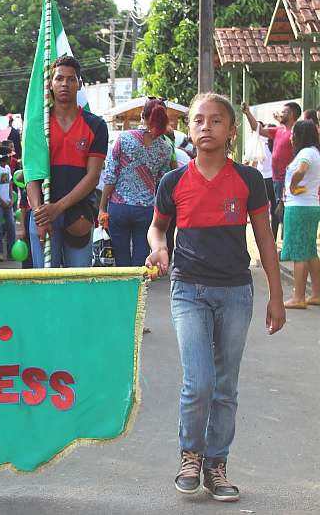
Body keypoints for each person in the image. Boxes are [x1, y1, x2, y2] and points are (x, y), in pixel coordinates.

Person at [147, 93, 285, 503]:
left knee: (225, 385)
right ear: (189, 130)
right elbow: (157, 229)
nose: (206, 127)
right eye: (198, 121)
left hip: (235, 293)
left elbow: (264, 239)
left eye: (216, 121)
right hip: (188, 290)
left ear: (230, 131)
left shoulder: (248, 181)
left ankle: (217, 464)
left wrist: (276, 296)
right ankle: (191, 454)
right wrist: (159, 247)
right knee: (199, 381)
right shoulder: (173, 182)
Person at [27, 55, 108, 268]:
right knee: (46, 287)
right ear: (50, 84)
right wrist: (39, 214)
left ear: (79, 84)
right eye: (59, 78)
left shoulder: (96, 125)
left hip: (79, 215)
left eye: (71, 79)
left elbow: (93, 177)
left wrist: (59, 207)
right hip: (43, 214)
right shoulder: (37, 124)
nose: (65, 84)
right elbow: (31, 174)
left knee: (78, 285)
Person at [99, 98, 172, 266]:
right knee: (141, 258)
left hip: (119, 207)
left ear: (142, 116)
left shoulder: (123, 139)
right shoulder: (165, 148)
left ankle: (124, 291)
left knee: (121, 258)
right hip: (146, 209)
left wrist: (102, 208)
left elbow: (110, 177)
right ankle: (139, 290)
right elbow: (161, 179)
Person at [242, 100, 300, 240]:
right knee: (276, 210)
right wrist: (247, 113)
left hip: (289, 179)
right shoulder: (278, 131)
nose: (280, 114)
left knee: (287, 211)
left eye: (284, 112)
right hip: (276, 179)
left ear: (292, 114)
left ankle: (287, 241)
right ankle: (274, 240)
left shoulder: (297, 132)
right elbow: (258, 129)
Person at [280, 120, 320, 308]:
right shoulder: (315, 152)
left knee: (299, 252)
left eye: (293, 133)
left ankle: (299, 296)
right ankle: (316, 293)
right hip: (310, 205)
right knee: (310, 251)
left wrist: (293, 184)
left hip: (300, 207)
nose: (290, 136)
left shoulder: (305, 153)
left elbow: (301, 169)